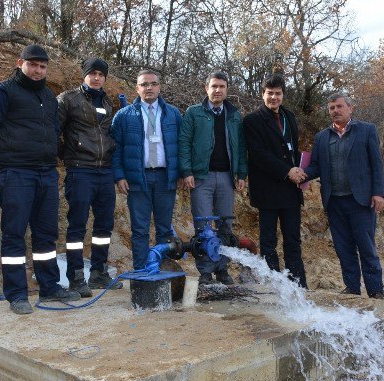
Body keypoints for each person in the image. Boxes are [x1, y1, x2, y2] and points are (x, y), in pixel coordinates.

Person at [0, 44, 80, 314]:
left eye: (42, 66)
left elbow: (54, 133)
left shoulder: (47, 95)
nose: (38, 70)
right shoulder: (4, 91)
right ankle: (17, 295)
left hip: (46, 174)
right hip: (16, 174)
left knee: (46, 235)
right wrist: (8, 150)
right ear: (20, 63)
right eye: (33, 65)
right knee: (14, 236)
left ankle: (50, 286)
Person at [302, 93, 384, 299]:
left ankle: (375, 291)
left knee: (366, 247)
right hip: (334, 201)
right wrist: (301, 173)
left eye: (339, 106)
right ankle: (352, 289)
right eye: (331, 108)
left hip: (361, 200)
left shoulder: (367, 130)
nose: (335, 111)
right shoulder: (322, 137)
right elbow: (316, 166)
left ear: (350, 108)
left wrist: (378, 193)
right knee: (343, 248)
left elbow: (376, 164)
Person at [57, 57, 122, 296]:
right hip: (80, 171)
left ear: (105, 78)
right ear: (84, 75)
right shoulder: (68, 99)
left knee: (104, 225)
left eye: (101, 74)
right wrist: (67, 153)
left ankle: (99, 273)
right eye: (92, 73)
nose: (96, 78)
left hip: (104, 171)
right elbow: (54, 131)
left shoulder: (107, 102)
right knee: (77, 227)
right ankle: (75, 277)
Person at [179, 71, 248, 285]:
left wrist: (242, 174)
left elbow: (241, 147)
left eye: (222, 87)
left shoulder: (234, 115)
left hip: (227, 177)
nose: (218, 90)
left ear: (227, 90)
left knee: (225, 226)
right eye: (214, 86)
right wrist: (187, 171)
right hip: (202, 177)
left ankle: (222, 269)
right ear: (206, 88)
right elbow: (184, 143)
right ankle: (206, 272)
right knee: (203, 226)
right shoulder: (194, 113)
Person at [111, 70, 182, 270]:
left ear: (159, 87)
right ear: (137, 88)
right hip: (137, 178)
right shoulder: (124, 115)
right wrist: (119, 176)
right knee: (140, 229)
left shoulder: (173, 114)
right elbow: (115, 149)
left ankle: (161, 269)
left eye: (153, 84)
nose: (149, 88)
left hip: (164, 177)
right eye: (144, 84)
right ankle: (142, 270)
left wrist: (182, 172)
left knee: (164, 228)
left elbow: (182, 146)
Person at [242, 75, 307, 288]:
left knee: (293, 241)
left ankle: (298, 285)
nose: (274, 97)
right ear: (263, 94)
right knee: (268, 242)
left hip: (290, 190)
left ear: (283, 95)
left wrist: (299, 170)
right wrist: (287, 171)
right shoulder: (252, 120)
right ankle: (275, 286)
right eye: (269, 93)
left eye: (278, 93)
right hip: (268, 190)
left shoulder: (290, 117)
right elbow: (259, 154)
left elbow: (291, 149)